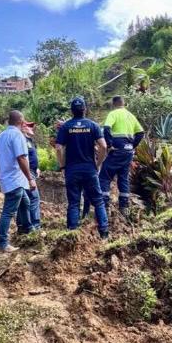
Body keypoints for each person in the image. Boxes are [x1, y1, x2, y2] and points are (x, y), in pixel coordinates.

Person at [55, 97, 109, 238]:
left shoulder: (66, 127)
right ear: (85, 109)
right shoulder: (93, 125)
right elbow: (103, 146)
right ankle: (104, 233)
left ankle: (72, 235)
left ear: (71, 111)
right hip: (89, 169)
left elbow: (58, 148)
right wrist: (98, 164)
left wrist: (62, 166)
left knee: (74, 203)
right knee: (98, 201)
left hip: (72, 170)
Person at [0, 110, 37, 253]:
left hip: (7, 178)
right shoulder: (17, 135)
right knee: (8, 211)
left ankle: (28, 229)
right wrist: (30, 178)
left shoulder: (0, 136)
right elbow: (21, 158)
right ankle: (2, 242)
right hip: (15, 179)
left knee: (25, 202)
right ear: (21, 121)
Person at [100, 96, 144, 215]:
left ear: (114, 104)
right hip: (128, 152)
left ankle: (105, 206)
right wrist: (132, 146)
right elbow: (140, 133)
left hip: (117, 149)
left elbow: (106, 128)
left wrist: (109, 144)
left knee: (104, 176)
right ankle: (124, 207)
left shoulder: (113, 114)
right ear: (123, 104)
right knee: (123, 177)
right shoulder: (131, 115)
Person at [19, 121, 42, 233]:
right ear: (23, 128)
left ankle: (23, 226)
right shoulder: (21, 140)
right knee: (34, 198)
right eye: (29, 126)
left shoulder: (30, 141)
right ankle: (35, 226)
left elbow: (32, 156)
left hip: (32, 171)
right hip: (26, 173)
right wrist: (29, 175)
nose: (31, 128)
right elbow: (22, 158)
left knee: (24, 200)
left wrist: (37, 167)